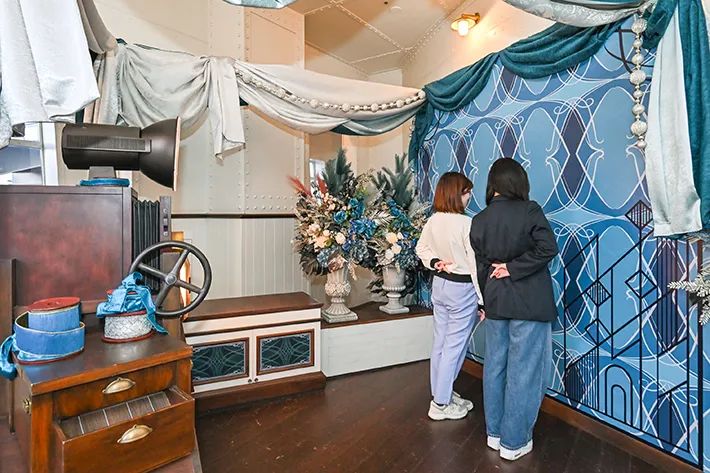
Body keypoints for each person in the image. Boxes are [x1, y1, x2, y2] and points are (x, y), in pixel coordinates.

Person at [469, 158, 558, 461]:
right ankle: (514, 441)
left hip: (496, 301)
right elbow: (548, 248)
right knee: (524, 371)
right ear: (519, 182)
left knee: (495, 367)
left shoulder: (479, 219)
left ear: (492, 184)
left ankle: (495, 434)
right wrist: (514, 268)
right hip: (528, 303)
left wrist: (485, 301)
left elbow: (481, 268)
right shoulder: (530, 210)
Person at [416, 171, 484, 421]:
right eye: (467, 192)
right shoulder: (466, 224)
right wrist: (483, 300)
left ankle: (441, 393)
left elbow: (421, 248)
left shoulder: (434, 220)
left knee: (440, 343)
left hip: (440, 285)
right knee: (454, 347)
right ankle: (440, 404)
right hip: (461, 289)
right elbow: (474, 266)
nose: (470, 197)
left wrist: (435, 262)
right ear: (457, 194)